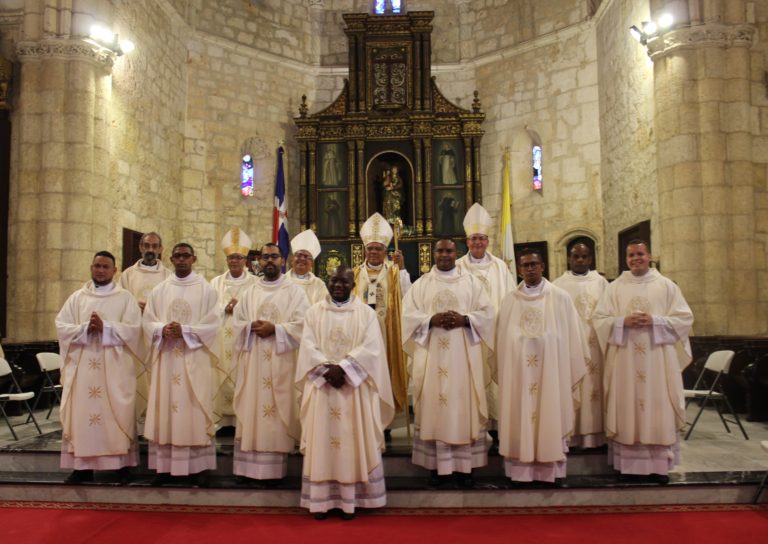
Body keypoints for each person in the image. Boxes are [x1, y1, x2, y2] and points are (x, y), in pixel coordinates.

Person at [297, 266, 394, 520]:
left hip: (353, 389)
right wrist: (327, 370)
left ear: (353, 285)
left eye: (344, 282)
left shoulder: (365, 314)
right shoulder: (313, 312)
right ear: (327, 282)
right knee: (323, 441)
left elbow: (372, 348)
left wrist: (345, 368)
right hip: (323, 386)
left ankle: (350, 500)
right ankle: (320, 501)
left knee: (351, 440)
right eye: (333, 280)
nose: (338, 285)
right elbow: (307, 345)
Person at [593, 239, 694, 483]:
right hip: (625, 360)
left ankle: (658, 467)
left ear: (649, 256)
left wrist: (656, 321)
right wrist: (621, 322)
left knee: (657, 408)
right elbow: (599, 319)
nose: (635, 258)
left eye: (640, 254)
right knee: (628, 406)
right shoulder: (615, 287)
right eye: (631, 255)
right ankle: (628, 467)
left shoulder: (666, 286)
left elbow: (684, 319)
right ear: (626, 259)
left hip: (657, 361)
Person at [402, 238, 494, 487]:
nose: (444, 255)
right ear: (433, 254)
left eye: (449, 251)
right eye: (440, 251)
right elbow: (408, 316)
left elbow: (488, 314)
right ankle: (437, 466)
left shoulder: (472, 283)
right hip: (432, 359)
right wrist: (431, 320)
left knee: (462, 407)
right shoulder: (421, 285)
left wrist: (465, 319)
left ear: (457, 253)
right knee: (435, 406)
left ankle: (466, 467)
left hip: (463, 359)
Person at [496, 248, 587, 483]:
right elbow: (501, 342)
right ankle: (520, 471)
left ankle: (550, 470)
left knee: (550, 410)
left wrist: (548, 342)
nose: (530, 269)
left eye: (534, 264)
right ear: (519, 270)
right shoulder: (509, 301)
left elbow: (573, 340)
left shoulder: (560, 297)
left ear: (542, 266)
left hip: (552, 373)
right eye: (525, 265)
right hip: (519, 373)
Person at [55, 251, 142, 484]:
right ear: (91, 268)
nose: (100, 270)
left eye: (105, 267)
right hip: (83, 369)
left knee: (117, 415)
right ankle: (82, 468)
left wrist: (107, 328)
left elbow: (135, 330)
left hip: (114, 369)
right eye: (96, 266)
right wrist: (85, 329)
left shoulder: (125, 298)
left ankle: (121, 467)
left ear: (115, 271)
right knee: (83, 416)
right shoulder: (77, 298)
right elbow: (62, 326)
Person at [231, 243, 309, 483]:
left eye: (274, 257)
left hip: (282, 360)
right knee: (252, 406)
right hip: (254, 360)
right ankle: (247, 469)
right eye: (265, 257)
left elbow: (305, 324)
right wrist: (250, 327)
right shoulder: (249, 292)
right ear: (258, 262)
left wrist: (276, 329)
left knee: (278, 410)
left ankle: (276, 471)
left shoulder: (295, 292)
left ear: (282, 260)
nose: (269, 261)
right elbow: (237, 322)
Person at [142, 243, 220, 484]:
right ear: (171, 259)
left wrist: (184, 331)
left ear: (194, 258)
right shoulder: (160, 290)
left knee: (192, 409)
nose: (181, 259)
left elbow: (214, 324)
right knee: (166, 409)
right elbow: (147, 322)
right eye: (177, 256)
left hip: (193, 361)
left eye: (186, 255)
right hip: (166, 360)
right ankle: (164, 468)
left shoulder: (207, 291)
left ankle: (197, 468)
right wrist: (161, 329)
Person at [456, 203, 515, 434]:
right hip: (468, 336)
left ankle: (497, 431)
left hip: (495, 335)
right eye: (473, 239)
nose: (478, 242)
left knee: (495, 386)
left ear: (487, 240)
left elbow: (510, 299)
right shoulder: (458, 267)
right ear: (467, 242)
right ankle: (473, 430)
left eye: (481, 238)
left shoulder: (501, 267)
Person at [354, 212, 411, 424]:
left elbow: (407, 295)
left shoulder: (394, 272)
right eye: (370, 248)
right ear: (365, 250)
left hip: (387, 335)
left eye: (378, 248)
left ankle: (385, 423)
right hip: (362, 338)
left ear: (385, 251)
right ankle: (366, 418)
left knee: (385, 373)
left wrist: (402, 267)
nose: (374, 252)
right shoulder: (355, 274)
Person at [553, 242, 609, 448]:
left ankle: (597, 437)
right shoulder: (558, 285)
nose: (579, 260)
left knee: (595, 390)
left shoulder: (602, 283)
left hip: (596, 348)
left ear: (590, 259)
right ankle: (572, 434)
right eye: (575, 256)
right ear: (568, 258)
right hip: (570, 349)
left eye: (584, 256)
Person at [118, 231, 172, 428]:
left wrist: (154, 310)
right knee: (135, 377)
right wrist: (134, 306)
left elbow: (172, 304)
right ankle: (134, 421)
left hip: (157, 338)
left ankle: (157, 421)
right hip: (135, 336)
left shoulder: (168, 276)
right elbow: (119, 301)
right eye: (147, 246)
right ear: (140, 248)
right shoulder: (127, 275)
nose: (150, 250)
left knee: (156, 377)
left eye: (155, 246)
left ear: (160, 249)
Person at [210, 227, 258, 427]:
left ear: (245, 260)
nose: (235, 261)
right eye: (231, 258)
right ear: (227, 260)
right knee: (219, 376)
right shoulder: (215, 283)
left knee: (242, 377)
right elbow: (208, 309)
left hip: (242, 340)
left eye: (238, 257)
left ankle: (241, 422)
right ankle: (220, 421)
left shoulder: (256, 283)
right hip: (220, 337)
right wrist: (224, 308)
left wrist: (239, 310)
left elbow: (258, 310)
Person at [288, 229, 327, 305]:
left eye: (306, 256)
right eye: (299, 255)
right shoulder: (282, 281)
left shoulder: (318, 284)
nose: (302, 259)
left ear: (312, 263)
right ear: (292, 259)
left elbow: (323, 310)